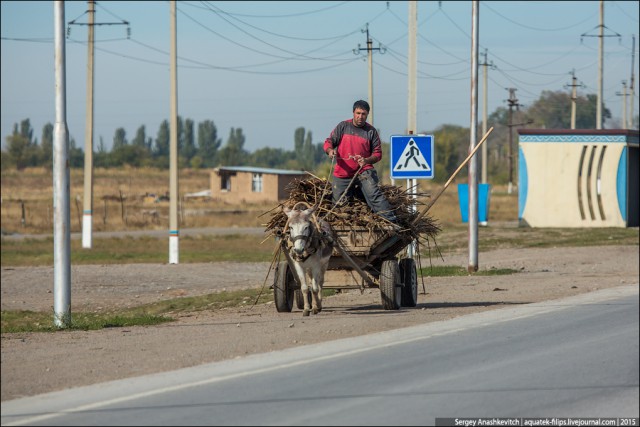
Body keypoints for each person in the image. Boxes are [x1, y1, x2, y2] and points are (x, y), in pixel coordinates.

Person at [323, 100, 397, 224]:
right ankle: (342, 229)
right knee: (339, 206)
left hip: (364, 170)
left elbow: (378, 154)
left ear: (367, 115)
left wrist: (366, 160)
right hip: (343, 172)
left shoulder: (371, 131)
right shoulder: (343, 126)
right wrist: (330, 151)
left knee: (374, 195)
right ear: (353, 113)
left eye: (363, 114)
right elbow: (329, 142)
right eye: (358, 113)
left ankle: (392, 223)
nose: (360, 116)